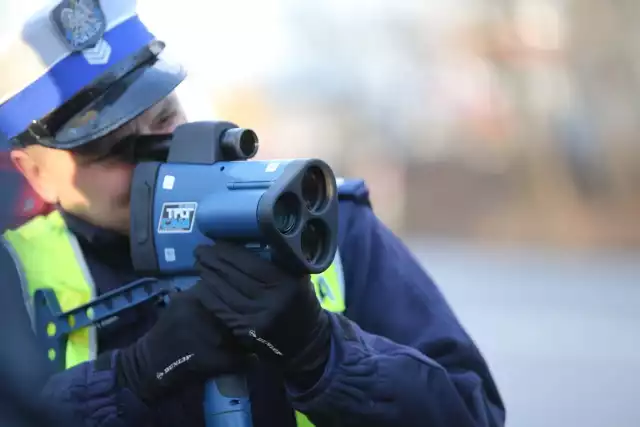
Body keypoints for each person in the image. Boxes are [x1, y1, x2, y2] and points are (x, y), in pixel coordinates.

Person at [0, 1, 505, 426]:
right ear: (35, 171)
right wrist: (131, 378)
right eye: (112, 151)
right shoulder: (12, 275)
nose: (160, 158)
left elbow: (471, 411)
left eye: (165, 118)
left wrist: (325, 356)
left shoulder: (324, 224)